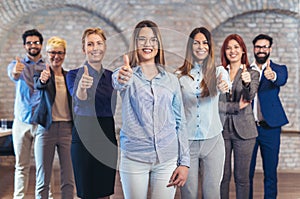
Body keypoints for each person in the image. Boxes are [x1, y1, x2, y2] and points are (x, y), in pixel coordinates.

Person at [112, 20, 190, 199]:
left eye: (153, 40)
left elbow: (180, 122)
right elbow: (117, 80)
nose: (148, 44)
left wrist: (184, 163)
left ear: (158, 44)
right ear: (135, 44)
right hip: (134, 159)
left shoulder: (171, 80)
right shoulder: (128, 75)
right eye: (142, 40)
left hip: (167, 159)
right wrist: (121, 76)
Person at [176, 27, 230, 199]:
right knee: (188, 193)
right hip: (187, 143)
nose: (201, 46)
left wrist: (223, 86)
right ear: (190, 47)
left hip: (213, 141)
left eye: (205, 43)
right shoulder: (179, 75)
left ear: (210, 46)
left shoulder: (219, 71)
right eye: (196, 43)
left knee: (212, 192)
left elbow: (224, 84)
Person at [66, 27, 118, 199]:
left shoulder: (113, 77)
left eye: (99, 43)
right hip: (84, 136)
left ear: (104, 47)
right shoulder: (74, 75)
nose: (95, 47)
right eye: (90, 44)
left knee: (105, 193)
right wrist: (82, 86)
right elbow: (78, 97)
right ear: (84, 49)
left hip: (107, 133)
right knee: (86, 192)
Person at [7, 29, 48, 199]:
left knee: (43, 167)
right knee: (21, 166)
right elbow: (14, 74)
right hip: (22, 122)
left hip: (41, 123)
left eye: (36, 42)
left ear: (41, 44)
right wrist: (17, 71)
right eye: (29, 43)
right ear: (25, 46)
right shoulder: (16, 64)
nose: (33, 45)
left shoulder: (48, 66)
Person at [32, 36, 75, 199]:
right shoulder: (41, 74)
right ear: (47, 53)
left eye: (60, 53)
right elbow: (38, 84)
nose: (56, 56)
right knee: (43, 179)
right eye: (52, 52)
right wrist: (43, 80)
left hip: (67, 131)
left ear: (64, 54)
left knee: (69, 180)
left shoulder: (69, 76)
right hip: (46, 130)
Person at [218, 34, 259, 199]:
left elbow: (249, 98)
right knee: (223, 176)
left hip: (245, 132)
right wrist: (234, 107)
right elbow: (214, 105)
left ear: (243, 50)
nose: (232, 51)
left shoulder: (252, 73)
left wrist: (247, 83)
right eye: (228, 48)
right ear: (224, 52)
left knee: (242, 178)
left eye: (236, 47)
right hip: (222, 131)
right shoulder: (219, 72)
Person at [249, 34, 289, 199]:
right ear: (254, 49)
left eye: (265, 47)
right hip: (248, 129)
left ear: (270, 49)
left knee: (270, 172)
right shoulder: (245, 69)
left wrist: (273, 76)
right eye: (258, 47)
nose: (261, 50)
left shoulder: (279, 69)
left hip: (270, 128)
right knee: (246, 173)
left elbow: (281, 79)